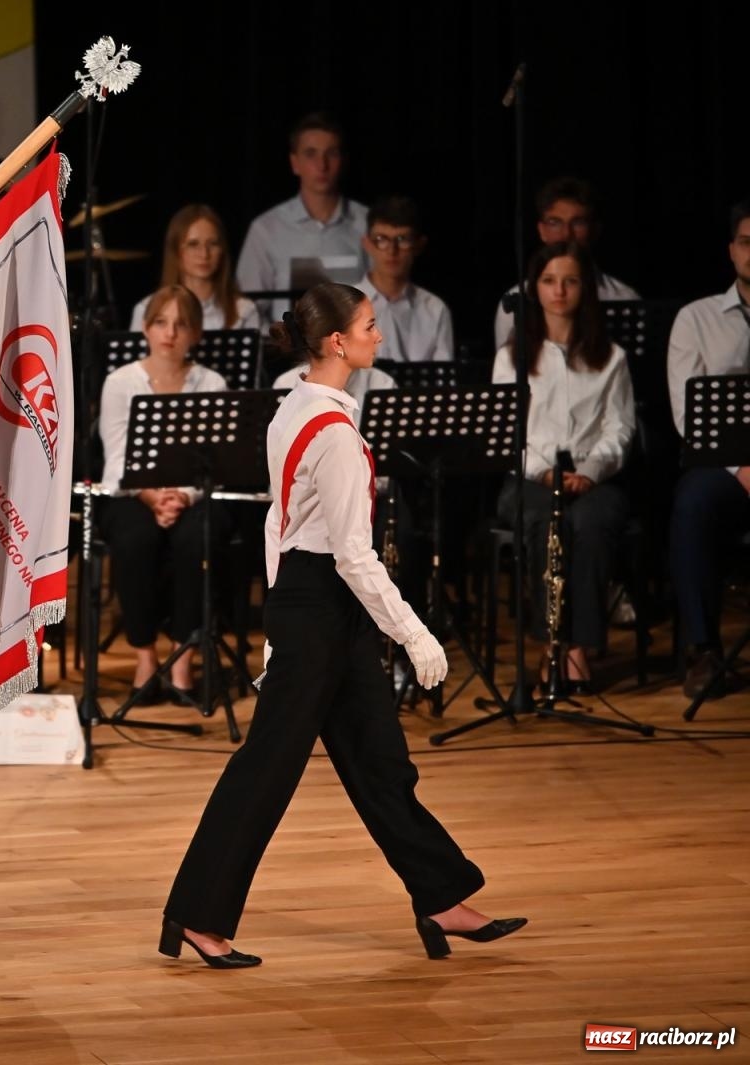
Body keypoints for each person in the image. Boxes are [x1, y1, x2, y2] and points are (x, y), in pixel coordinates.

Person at [161, 282, 524, 969]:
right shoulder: (332, 434)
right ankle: (197, 915)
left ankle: (441, 896)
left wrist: (278, 615)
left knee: (381, 761)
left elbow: (281, 523)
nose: (378, 337)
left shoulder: (292, 407)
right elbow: (353, 555)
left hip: (316, 605)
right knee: (266, 767)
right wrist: (414, 632)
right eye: (368, 325)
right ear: (337, 342)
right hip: (324, 607)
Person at [493, 241, 635, 693]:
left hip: (592, 475)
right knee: (543, 521)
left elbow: (620, 428)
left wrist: (591, 470)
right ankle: (550, 643)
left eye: (570, 281)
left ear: (585, 288)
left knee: (591, 523)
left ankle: (579, 646)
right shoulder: (512, 356)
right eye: (550, 281)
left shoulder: (610, 356)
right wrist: (545, 473)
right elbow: (507, 436)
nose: (559, 291)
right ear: (535, 288)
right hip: (531, 476)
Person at [99, 286, 232, 704]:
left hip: (193, 496)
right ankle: (144, 656)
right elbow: (116, 455)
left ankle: (182, 658)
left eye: (181, 324)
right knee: (135, 539)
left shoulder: (211, 383)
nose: (170, 333)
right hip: (134, 495)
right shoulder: (120, 382)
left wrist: (183, 497)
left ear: (196, 333)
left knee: (198, 539)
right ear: (145, 328)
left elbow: (218, 457)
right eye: (161, 322)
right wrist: (153, 496)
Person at [667, 200, 750, 698]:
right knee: (693, 503)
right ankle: (703, 651)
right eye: (747, 242)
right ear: (732, 251)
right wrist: (741, 464)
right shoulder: (697, 318)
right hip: (723, 463)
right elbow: (686, 412)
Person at [235, 113, 367, 321]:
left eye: (331, 153)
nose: (322, 165)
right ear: (294, 162)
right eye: (311, 154)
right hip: (286, 351)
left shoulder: (367, 223)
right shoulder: (266, 229)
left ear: (343, 160)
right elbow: (248, 310)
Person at [493, 177, 640, 348]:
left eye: (578, 222)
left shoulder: (624, 298)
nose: (566, 234)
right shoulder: (516, 303)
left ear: (595, 230)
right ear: (542, 230)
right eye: (555, 222)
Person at [128, 205, 260, 332]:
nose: (204, 254)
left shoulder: (244, 310)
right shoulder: (146, 309)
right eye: (193, 244)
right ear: (176, 251)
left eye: (213, 244)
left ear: (222, 251)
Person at [354, 196, 454, 363]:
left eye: (402, 240)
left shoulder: (435, 310)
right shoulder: (343, 307)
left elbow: (443, 382)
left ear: (419, 245)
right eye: (381, 240)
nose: (392, 250)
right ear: (367, 244)